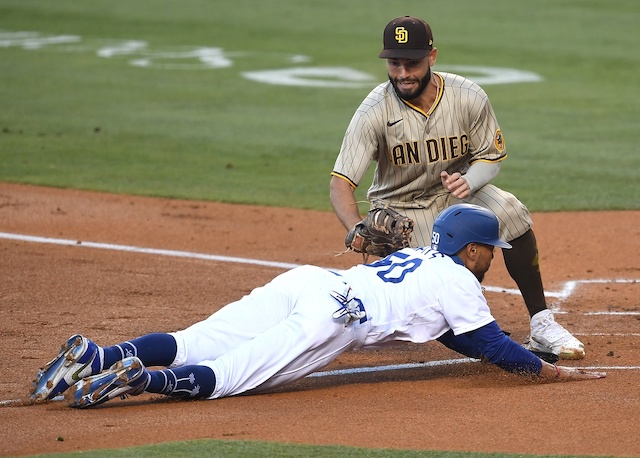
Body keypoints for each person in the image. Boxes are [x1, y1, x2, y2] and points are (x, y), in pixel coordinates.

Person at [30, 204, 604, 409]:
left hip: (309, 280)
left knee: (195, 339)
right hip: (336, 316)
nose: (492, 260)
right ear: (473, 249)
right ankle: (137, 381)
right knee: (230, 376)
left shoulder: (427, 262)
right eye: (490, 252)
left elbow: (451, 334)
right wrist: (547, 372)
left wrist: (483, 351)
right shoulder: (460, 281)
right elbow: (488, 342)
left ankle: (96, 354)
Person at [329, 16, 585, 360]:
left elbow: (490, 158)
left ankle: (541, 324)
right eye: (394, 63)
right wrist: (355, 228)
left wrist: (470, 181)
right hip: (401, 208)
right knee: (435, 272)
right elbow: (340, 183)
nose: (403, 73)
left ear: (432, 57)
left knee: (510, 212)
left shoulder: (467, 96)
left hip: (457, 193)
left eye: (412, 63)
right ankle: (485, 339)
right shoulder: (374, 111)